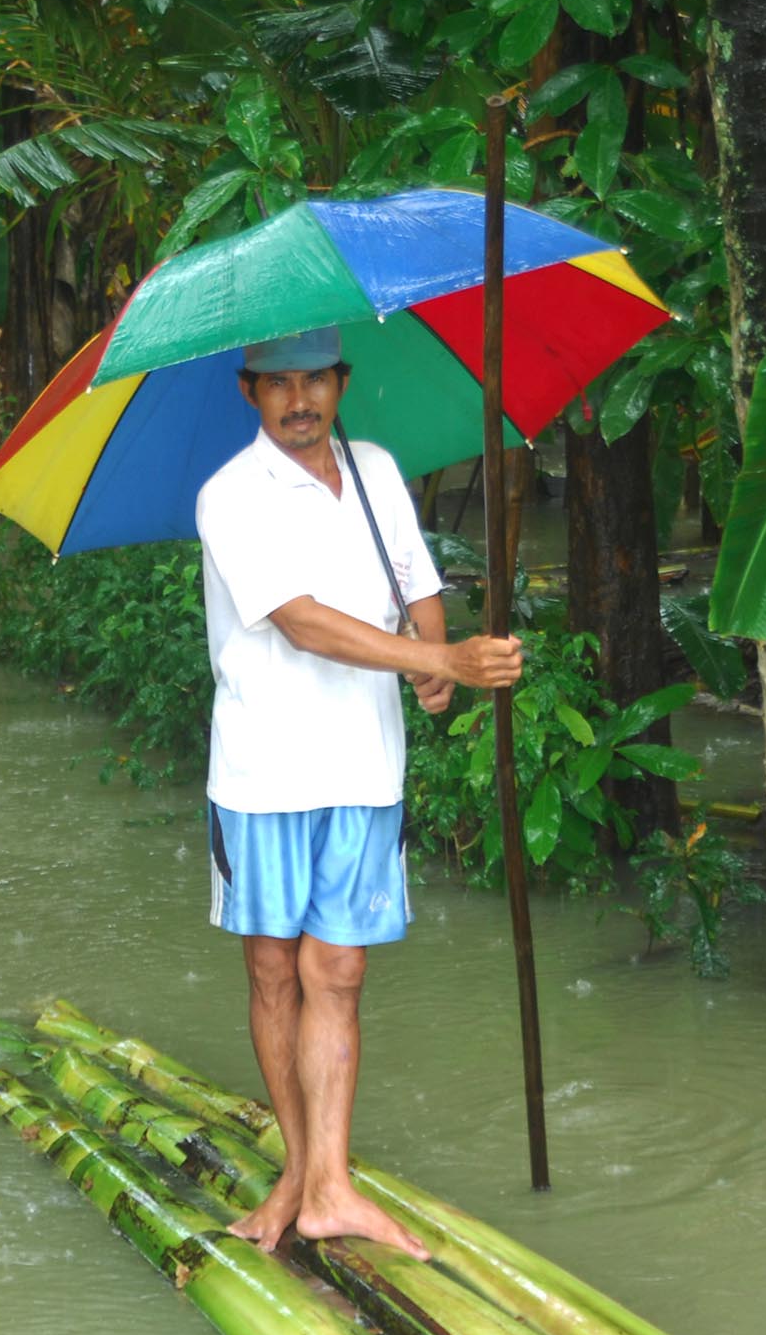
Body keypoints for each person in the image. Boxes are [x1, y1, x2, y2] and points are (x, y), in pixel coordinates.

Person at [191, 326, 522, 1258]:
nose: (300, 400)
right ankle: (303, 1170)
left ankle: (325, 1185)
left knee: (338, 970)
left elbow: (414, 581)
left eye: (316, 381)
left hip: (365, 765)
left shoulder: (375, 469)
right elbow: (298, 622)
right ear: (250, 392)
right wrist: (435, 654)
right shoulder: (229, 496)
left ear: (342, 383)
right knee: (272, 971)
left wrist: (436, 659)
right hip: (263, 771)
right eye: (279, 384)